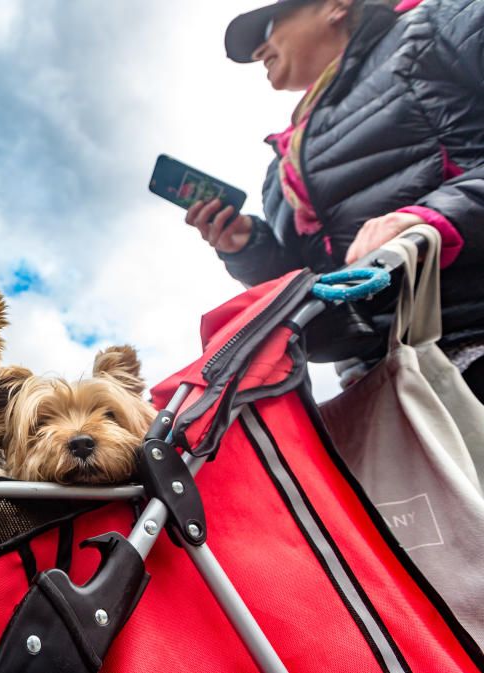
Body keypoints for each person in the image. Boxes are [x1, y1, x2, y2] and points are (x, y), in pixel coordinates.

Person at [186, 0, 484, 397]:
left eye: (269, 27)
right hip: (384, 388)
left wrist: (433, 219)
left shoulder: (435, 28)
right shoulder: (279, 177)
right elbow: (320, 299)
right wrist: (249, 249)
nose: (258, 52)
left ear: (335, 6)